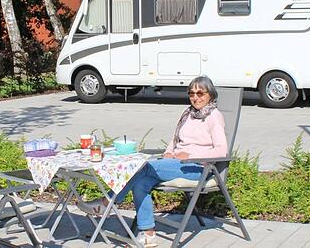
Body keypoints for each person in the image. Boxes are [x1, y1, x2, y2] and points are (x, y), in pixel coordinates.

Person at [79, 75, 227, 247]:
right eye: (191, 93)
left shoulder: (214, 116)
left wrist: (190, 155)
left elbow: (221, 150)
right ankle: (148, 234)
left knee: (142, 167)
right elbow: (176, 139)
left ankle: (107, 202)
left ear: (210, 94)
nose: (196, 97)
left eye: (201, 93)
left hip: (197, 167)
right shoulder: (188, 113)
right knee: (141, 181)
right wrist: (169, 152)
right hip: (176, 164)